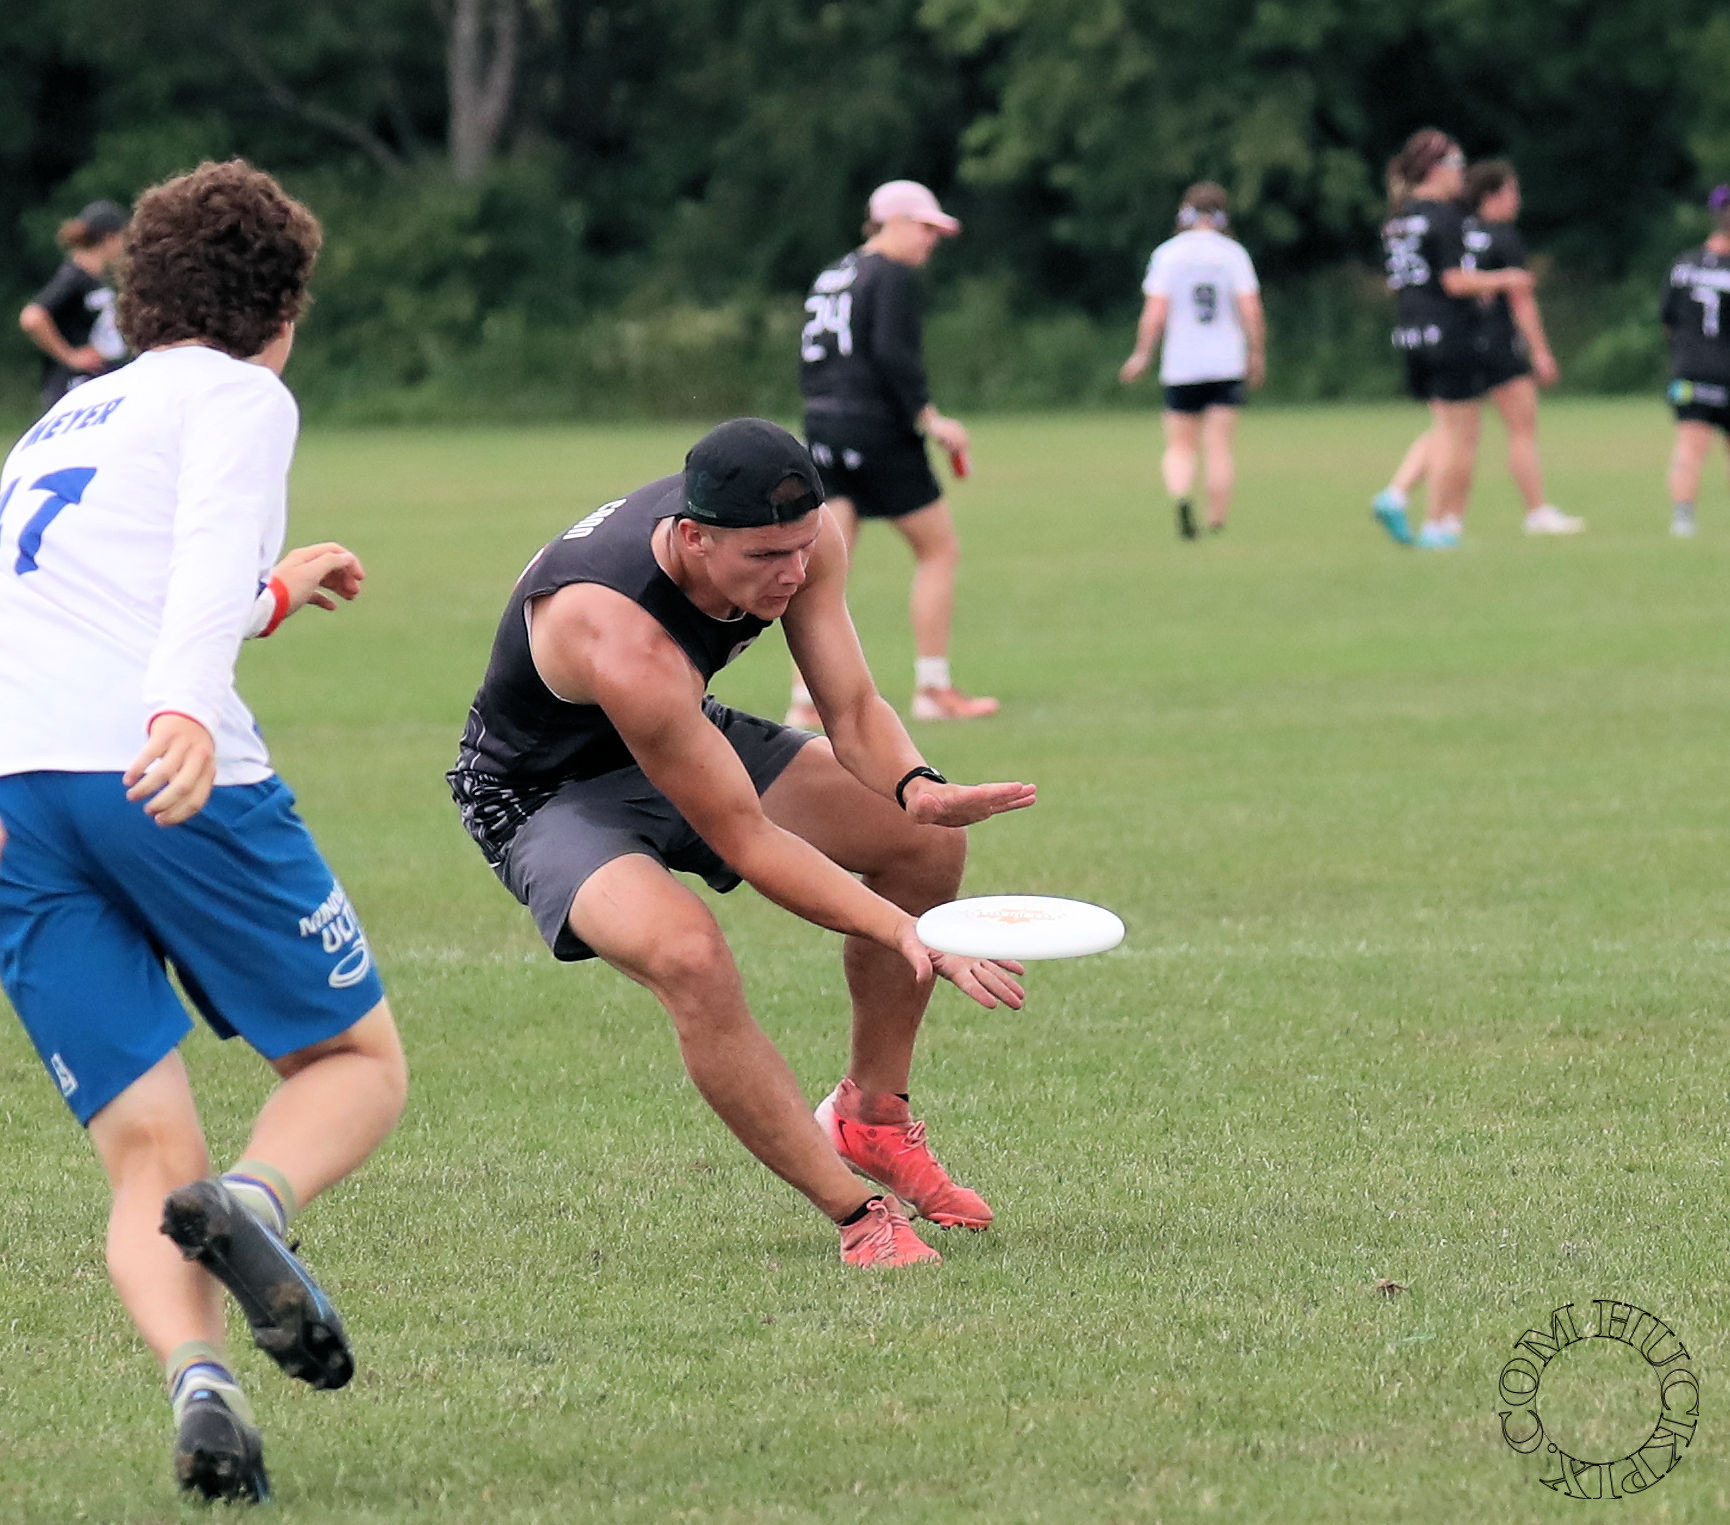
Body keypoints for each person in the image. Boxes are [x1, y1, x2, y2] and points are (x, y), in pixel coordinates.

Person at [0, 161, 408, 1504]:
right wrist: (182, 704)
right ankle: (258, 1204)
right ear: (282, 311)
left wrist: (272, 595)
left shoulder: (60, 420)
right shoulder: (240, 394)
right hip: (162, 767)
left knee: (145, 1154)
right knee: (353, 1062)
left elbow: (102, 595)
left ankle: (203, 1382)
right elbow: (199, 563)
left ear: (137, 297)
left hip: (16, 795)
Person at [448, 417, 1035, 1270]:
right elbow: (750, 841)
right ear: (694, 539)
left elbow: (853, 708)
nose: (793, 572)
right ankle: (857, 1213)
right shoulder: (619, 634)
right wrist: (904, 931)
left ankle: (871, 1117)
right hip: (545, 792)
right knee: (688, 956)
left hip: (679, 734)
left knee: (921, 843)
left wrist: (919, 785)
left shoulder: (796, 539)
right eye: (766, 557)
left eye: (802, 547)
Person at [788, 179, 995, 729]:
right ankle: (933, 688)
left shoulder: (833, 274)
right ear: (894, 222)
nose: (932, 240)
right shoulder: (892, 275)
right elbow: (893, 355)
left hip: (822, 426)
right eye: (925, 228)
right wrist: (932, 420)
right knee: (939, 550)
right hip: (876, 428)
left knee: (825, 568)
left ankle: (805, 702)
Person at [1373, 162, 1582, 537]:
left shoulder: (1454, 227)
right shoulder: (1500, 236)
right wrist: (1540, 351)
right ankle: (1535, 511)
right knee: (1519, 430)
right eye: (1512, 191)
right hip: (1493, 343)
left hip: (1453, 337)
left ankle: (1412, 500)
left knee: (1452, 430)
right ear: (1491, 196)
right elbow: (1520, 300)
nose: (1517, 200)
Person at [1370, 130, 1535, 550]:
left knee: (1445, 426)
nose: (1462, 174)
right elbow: (1454, 281)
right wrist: (1505, 278)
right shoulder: (1445, 217)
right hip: (1449, 331)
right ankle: (1438, 526)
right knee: (1459, 435)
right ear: (1434, 169)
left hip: (1411, 330)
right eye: (1457, 165)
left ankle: (1399, 497)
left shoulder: (1398, 218)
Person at [1118, 182, 1266, 538]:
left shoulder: (1168, 254)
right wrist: (1256, 353)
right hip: (1226, 363)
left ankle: (1182, 497)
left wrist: (1142, 354)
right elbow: (1251, 311)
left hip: (1181, 366)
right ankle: (1216, 521)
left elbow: (1154, 313)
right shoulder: (1233, 254)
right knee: (1219, 447)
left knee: (1180, 446)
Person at [1661, 186, 1730, 537]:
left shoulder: (1683, 265)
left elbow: (1667, 321)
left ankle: (1683, 520)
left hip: (1689, 370)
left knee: (1688, 446)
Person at [18, 198, 131, 413]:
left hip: (94, 384)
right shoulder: (73, 277)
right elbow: (32, 317)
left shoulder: (95, 279)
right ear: (109, 238)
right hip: (72, 386)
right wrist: (70, 356)